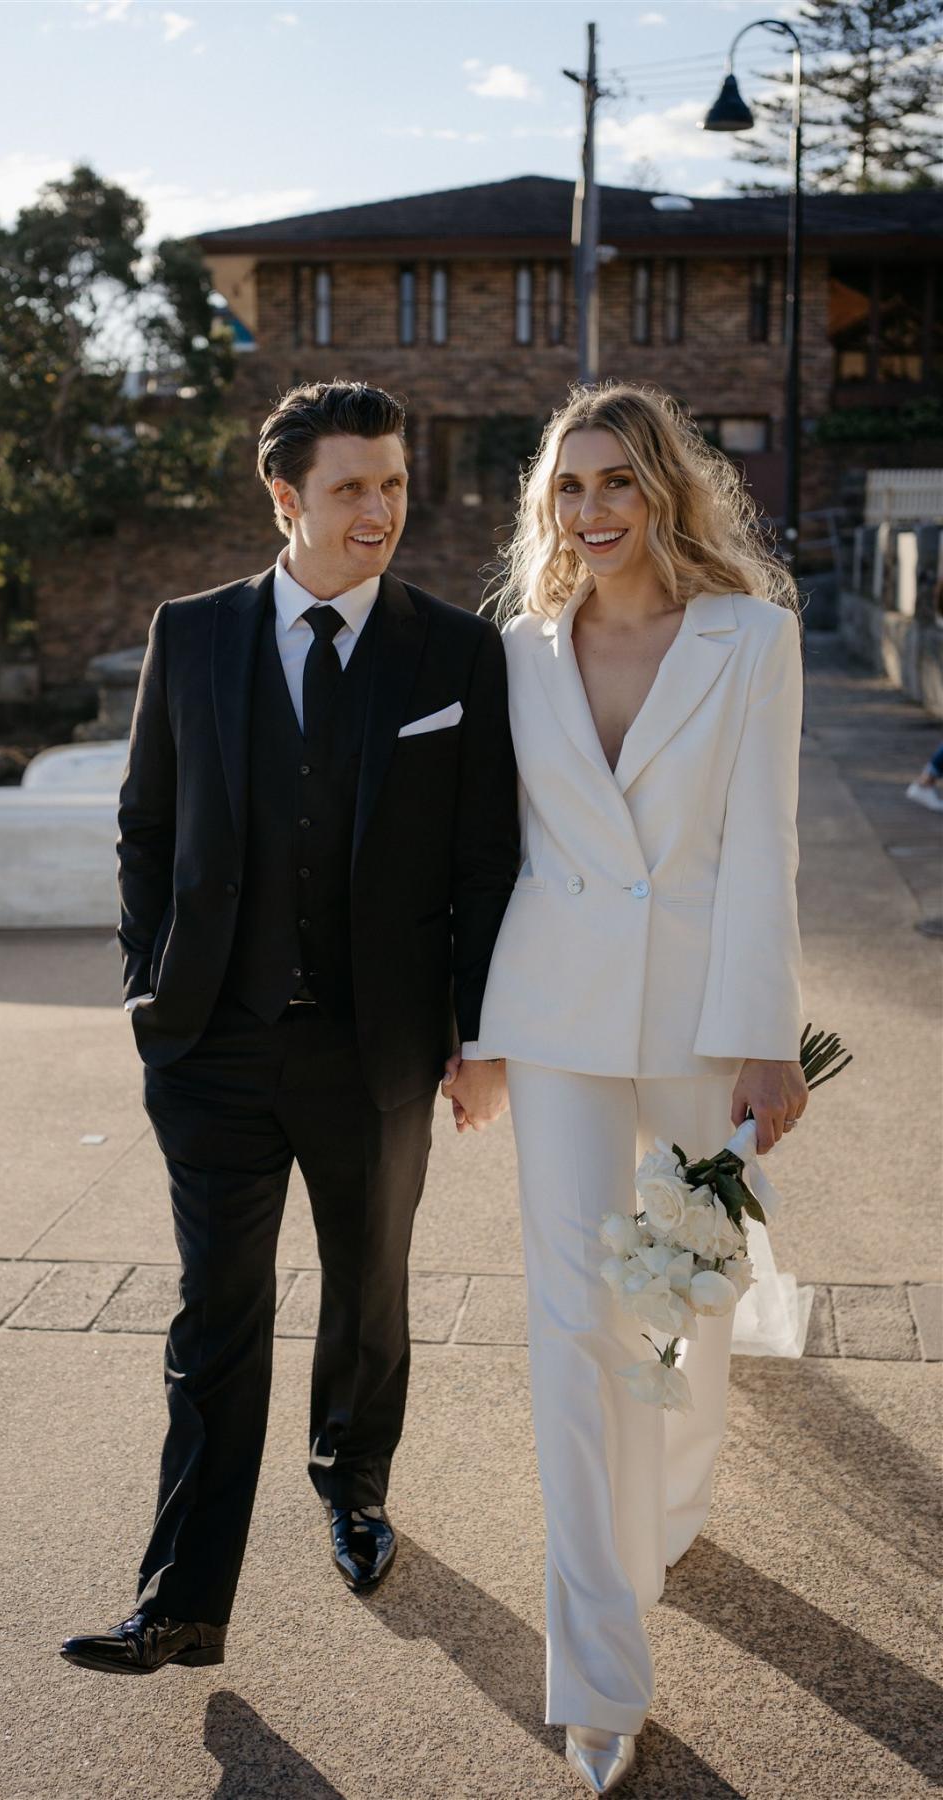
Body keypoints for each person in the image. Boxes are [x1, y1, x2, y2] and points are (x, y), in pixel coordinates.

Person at [60, 380, 518, 1677]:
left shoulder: (454, 653)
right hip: (211, 1048)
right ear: (285, 498)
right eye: (351, 488)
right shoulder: (192, 633)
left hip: (375, 1053)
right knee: (218, 1314)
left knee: (368, 1294)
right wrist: (152, 988)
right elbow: (145, 824)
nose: (380, 512)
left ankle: (353, 1485)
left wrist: (475, 1037)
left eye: (392, 484)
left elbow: (487, 860)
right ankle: (183, 1600)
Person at [463, 382, 809, 1794]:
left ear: (668, 493)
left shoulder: (751, 639)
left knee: (680, 1302)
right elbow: (491, 852)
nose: (592, 513)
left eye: (618, 484)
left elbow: (763, 849)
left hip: (694, 1026)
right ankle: (597, 1670)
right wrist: (472, 1033)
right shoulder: (517, 655)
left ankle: (666, 1508)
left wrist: (767, 1039)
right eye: (570, 488)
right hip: (550, 1018)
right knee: (569, 1321)